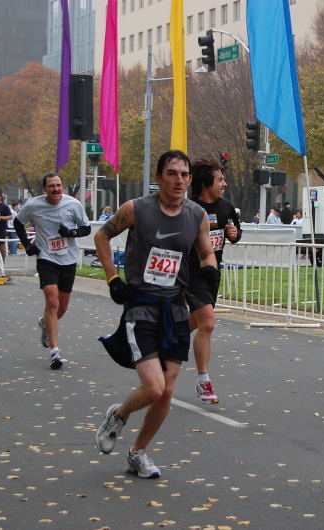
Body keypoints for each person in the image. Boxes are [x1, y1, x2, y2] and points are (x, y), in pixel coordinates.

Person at [93, 150, 218, 479]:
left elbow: (206, 252)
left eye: (184, 174)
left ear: (190, 179)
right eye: (172, 173)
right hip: (142, 307)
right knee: (154, 387)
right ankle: (118, 416)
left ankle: (138, 452)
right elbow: (102, 236)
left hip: (175, 309)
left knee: (167, 390)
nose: (179, 180)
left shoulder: (197, 215)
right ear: (160, 177)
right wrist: (112, 278)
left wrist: (210, 270)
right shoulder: (136, 209)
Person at [13, 173, 91, 369]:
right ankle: (55, 352)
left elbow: (86, 228)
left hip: (69, 259)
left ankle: (45, 324)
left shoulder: (73, 204)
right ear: (44, 189)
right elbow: (17, 222)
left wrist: (72, 232)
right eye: (51, 186)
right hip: (46, 257)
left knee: (62, 307)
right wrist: (27, 245)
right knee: (52, 298)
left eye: (58, 185)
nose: (56, 189)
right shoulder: (33, 205)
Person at [187, 158, 242, 403]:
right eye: (220, 179)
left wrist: (234, 234)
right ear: (205, 183)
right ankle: (204, 381)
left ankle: (165, 338)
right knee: (207, 324)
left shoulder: (226, 207)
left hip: (212, 273)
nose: (224, 184)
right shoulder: (188, 207)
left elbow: (235, 233)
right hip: (189, 273)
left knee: (197, 321)